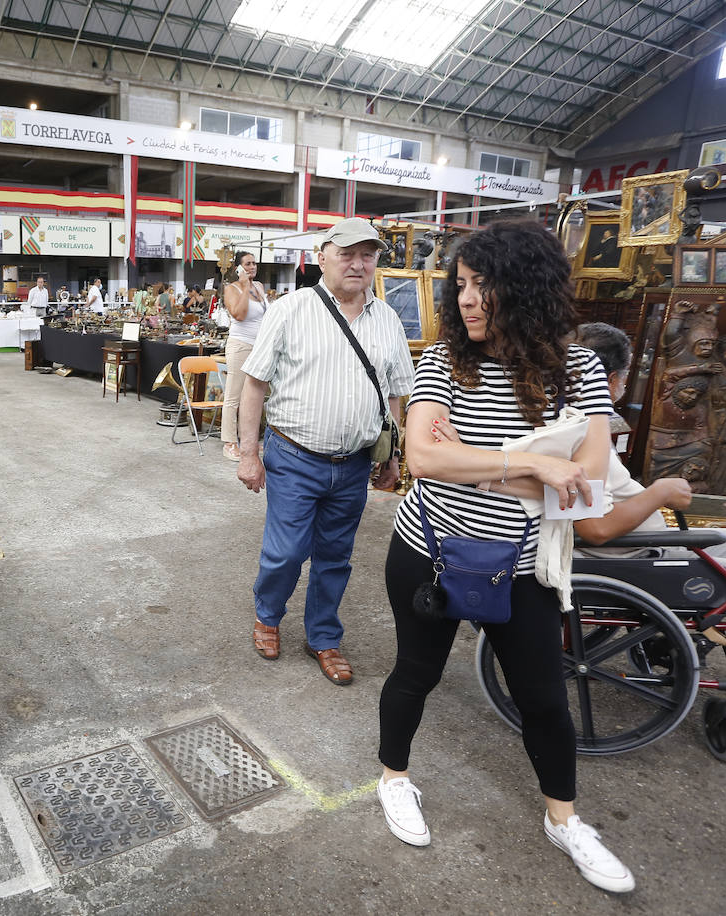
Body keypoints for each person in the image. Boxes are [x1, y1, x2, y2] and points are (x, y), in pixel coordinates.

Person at [375, 220, 631, 894]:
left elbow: (589, 491)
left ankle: (564, 820)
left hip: (523, 568)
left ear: (526, 289)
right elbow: (424, 459)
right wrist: (532, 466)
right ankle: (394, 779)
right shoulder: (441, 363)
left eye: (482, 286)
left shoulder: (577, 371)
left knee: (545, 699)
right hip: (428, 552)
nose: (465, 299)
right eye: (461, 285)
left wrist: (481, 467)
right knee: (414, 674)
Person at [573, 322, 726, 704]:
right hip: (627, 561)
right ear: (611, 379)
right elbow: (594, 528)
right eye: (624, 377)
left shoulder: (581, 423)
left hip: (637, 550)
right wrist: (658, 492)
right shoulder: (579, 433)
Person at [237, 217, 413, 686]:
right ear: (323, 257)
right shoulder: (291, 309)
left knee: (336, 556)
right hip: (294, 456)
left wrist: (393, 452)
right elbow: (254, 384)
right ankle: (268, 615)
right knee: (288, 552)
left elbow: (395, 393)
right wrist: (248, 452)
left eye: (367, 254)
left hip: (354, 464)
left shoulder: (388, 319)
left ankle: (323, 636)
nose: (358, 264)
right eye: (347, 253)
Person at [221, 250, 268, 462]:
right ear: (238, 268)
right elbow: (239, 314)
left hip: (259, 348)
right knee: (234, 396)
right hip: (240, 346)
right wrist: (245, 285)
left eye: (254, 263)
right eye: (247, 264)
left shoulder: (259, 287)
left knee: (255, 394)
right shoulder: (231, 289)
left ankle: (249, 437)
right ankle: (229, 442)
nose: (252, 267)